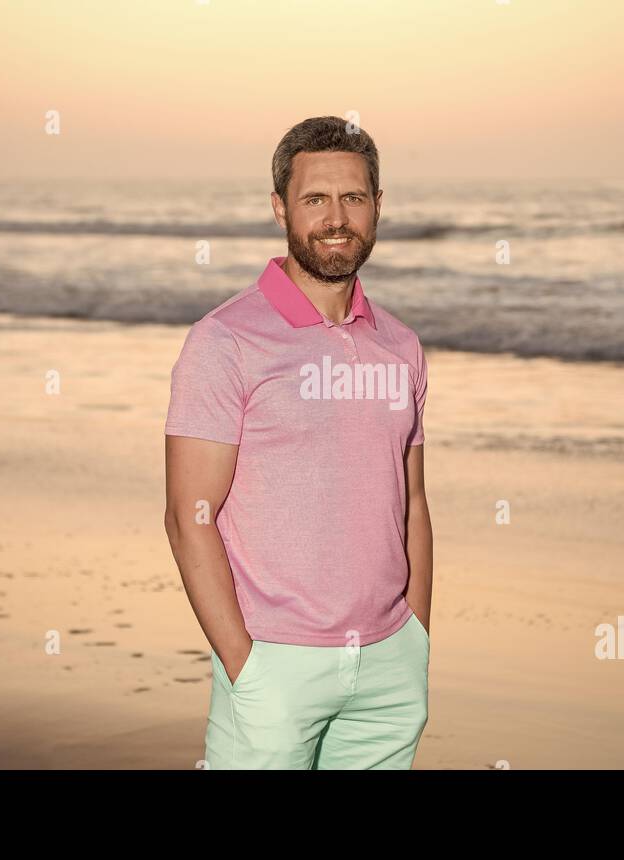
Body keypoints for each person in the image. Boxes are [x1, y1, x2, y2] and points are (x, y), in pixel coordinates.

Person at [163, 116, 433, 769]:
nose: (336, 217)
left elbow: (413, 503)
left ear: (377, 207)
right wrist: (244, 666)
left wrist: (415, 640)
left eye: (354, 197)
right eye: (315, 199)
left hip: (388, 665)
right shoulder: (225, 341)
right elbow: (187, 516)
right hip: (272, 664)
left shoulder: (400, 345)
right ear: (281, 207)